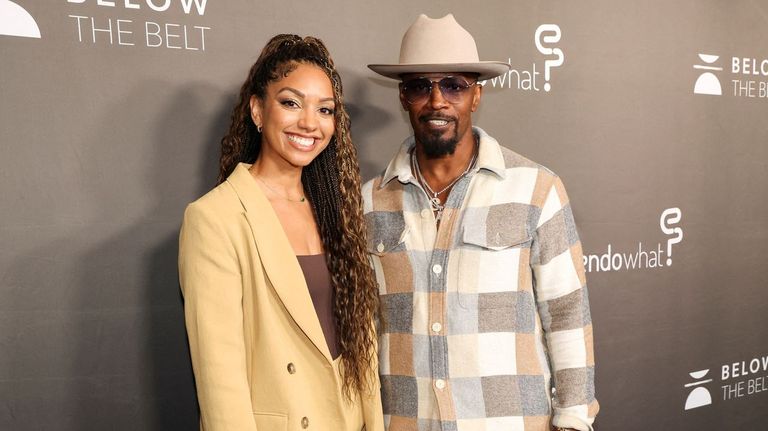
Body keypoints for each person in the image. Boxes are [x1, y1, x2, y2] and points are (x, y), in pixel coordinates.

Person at [364, 14, 599, 431]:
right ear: (403, 97)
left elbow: (567, 314)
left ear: (476, 96)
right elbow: (363, 329)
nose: (437, 100)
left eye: (454, 85)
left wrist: (573, 420)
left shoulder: (536, 189)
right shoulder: (368, 201)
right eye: (421, 85)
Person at [179, 34, 383, 431]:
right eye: (291, 102)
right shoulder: (215, 218)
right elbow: (220, 380)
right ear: (257, 109)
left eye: (325, 110)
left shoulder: (336, 212)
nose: (310, 122)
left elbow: (361, 349)